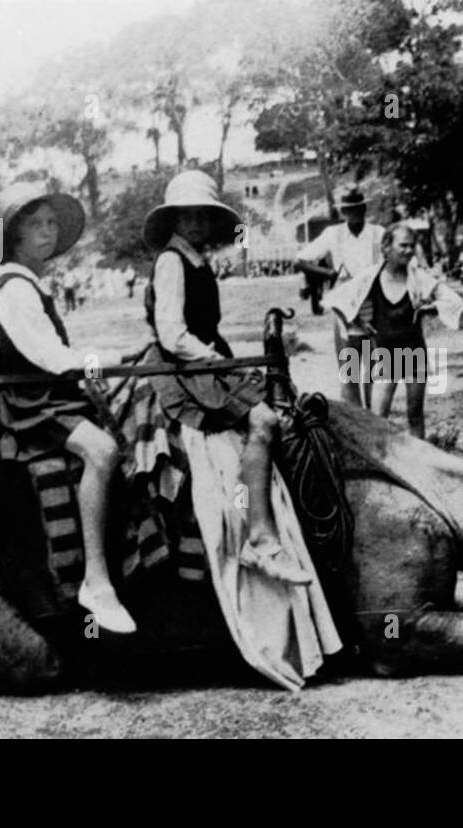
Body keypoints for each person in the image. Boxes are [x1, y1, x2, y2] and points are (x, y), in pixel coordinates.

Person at [136, 170, 310, 584]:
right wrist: (218, 360)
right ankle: (259, 539)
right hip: (186, 367)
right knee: (263, 421)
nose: (194, 223)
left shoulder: (199, 262)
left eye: (202, 215)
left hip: (205, 359)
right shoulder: (171, 262)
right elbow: (173, 334)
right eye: (186, 215)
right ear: (173, 221)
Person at [0, 182, 135, 633]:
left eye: (51, 223)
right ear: (15, 237)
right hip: (27, 403)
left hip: (43, 393)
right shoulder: (13, 290)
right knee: (102, 450)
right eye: (35, 224)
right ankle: (96, 581)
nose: (47, 232)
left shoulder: (30, 285)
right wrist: (110, 360)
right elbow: (52, 358)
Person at [324, 224, 463, 438]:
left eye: (411, 246)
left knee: (415, 414)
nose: (408, 251)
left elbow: (453, 300)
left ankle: (421, 463)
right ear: (386, 247)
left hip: (414, 354)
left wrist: (431, 307)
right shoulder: (370, 278)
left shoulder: (418, 278)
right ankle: (384, 465)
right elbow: (335, 300)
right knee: (378, 418)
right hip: (385, 357)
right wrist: (357, 322)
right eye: (402, 246)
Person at [295, 188, 385, 406]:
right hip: (345, 305)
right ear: (343, 211)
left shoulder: (378, 233)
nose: (353, 214)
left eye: (357, 208)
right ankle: (355, 419)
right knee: (350, 368)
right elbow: (300, 260)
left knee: (375, 368)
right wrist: (329, 274)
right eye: (348, 210)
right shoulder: (333, 234)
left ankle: (374, 419)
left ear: (364, 208)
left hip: (374, 304)